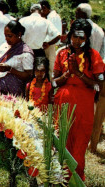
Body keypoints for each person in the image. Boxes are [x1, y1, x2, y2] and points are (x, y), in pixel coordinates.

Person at [53, 19, 104, 180]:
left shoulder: (93, 56)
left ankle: (76, 178)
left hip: (83, 105)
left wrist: (78, 73)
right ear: (70, 35)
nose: (77, 41)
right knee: (63, 140)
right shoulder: (61, 53)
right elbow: (54, 82)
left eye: (82, 38)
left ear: (87, 38)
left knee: (80, 143)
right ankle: (60, 178)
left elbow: (98, 86)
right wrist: (67, 74)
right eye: (75, 37)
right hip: (63, 103)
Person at [0, 20, 34, 96]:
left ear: (19, 34)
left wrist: (10, 69)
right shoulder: (3, 47)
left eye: (10, 36)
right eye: (5, 35)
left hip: (14, 91)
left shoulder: (25, 52)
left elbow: (28, 75)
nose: (6, 38)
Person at [40, 0, 62, 80]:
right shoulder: (53, 15)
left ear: (44, 8)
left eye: (40, 11)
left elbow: (57, 35)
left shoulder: (51, 17)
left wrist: (48, 43)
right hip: (51, 44)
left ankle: (52, 85)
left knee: (51, 67)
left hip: (50, 45)